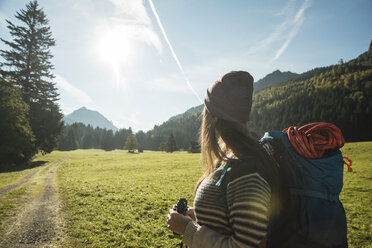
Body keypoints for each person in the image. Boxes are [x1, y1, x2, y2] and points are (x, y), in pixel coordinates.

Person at [166, 71, 279, 247]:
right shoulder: (234, 159)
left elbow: (249, 245)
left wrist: (187, 229)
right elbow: (231, 218)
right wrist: (195, 215)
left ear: (213, 116)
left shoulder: (247, 169)